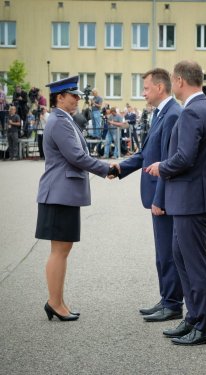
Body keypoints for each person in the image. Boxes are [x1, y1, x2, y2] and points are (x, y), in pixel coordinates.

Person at [146, 60, 206, 345]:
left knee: (194, 264)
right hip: (191, 199)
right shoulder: (204, 107)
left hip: (191, 200)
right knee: (182, 259)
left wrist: (161, 167)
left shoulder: (192, 112)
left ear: (178, 81)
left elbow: (185, 157)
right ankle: (193, 317)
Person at [35, 76, 117, 322]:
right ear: (60, 97)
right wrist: (106, 169)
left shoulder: (64, 120)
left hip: (63, 194)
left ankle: (58, 301)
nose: (78, 99)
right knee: (59, 250)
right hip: (59, 194)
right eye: (74, 95)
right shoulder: (60, 122)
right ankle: (54, 303)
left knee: (62, 249)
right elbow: (76, 156)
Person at [111, 68, 183, 322]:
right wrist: (120, 168)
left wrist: (160, 199)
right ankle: (167, 299)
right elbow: (146, 154)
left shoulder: (173, 114)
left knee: (168, 252)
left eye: (146, 88)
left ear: (160, 88)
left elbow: (167, 161)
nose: (143, 93)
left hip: (163, 197)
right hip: (157, 194)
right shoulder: (162, 113)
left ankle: (173, 304)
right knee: (162, 252)